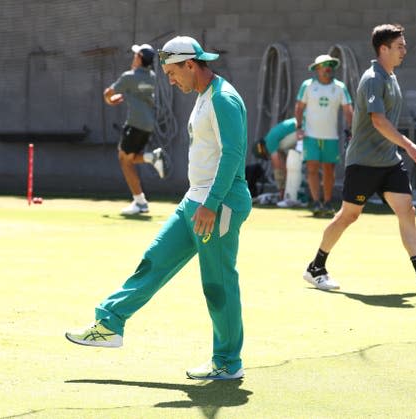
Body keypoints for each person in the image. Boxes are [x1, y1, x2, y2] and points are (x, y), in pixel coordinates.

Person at [66, 35, 252, 381]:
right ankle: (110, 323)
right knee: (155, 258)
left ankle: (228, 361)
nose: (169, 79)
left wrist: (211, 203)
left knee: (218, 283)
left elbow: (233, 155)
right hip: (195, 201)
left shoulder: (223, 99)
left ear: (190, 65)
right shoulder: (204, 95)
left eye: (172, 72)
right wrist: (199, 200)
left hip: (220, 203)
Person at [303, 24, 416, 293]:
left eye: (404, 45)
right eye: (399, 46)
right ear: (383, 49)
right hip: (363, 161)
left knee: (406, 210)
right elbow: (378, 120)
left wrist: (401, 149)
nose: (404, 50)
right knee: (348, 216)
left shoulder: (391, 76)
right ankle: (316, 267)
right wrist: (409, 145)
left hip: (388, 160)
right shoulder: (372, 78)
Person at [103, 43, 168, 215]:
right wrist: (125, 95)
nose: (133, 57)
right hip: (148, 125)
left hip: (135, 123)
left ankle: (140, 202)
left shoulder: (129, 77)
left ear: (139, 58)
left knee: (125, 160)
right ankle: (152, 157)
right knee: (128, 158)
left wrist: (110, 100)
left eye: (135, 55)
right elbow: (136, 93)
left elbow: (108, 93)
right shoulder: (152, 77)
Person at [295, 54, 353, 217]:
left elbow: (348, 109)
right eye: (324, 65)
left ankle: (327, 202)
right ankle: (316, 202)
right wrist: (298, 128)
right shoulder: (307, 85)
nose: (327, 68)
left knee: (329, 169)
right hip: (310, 135)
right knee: (312, 168)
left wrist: (352, 129)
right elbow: (299, 107)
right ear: (317, 69)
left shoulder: (340, 87)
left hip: (331, 137)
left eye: (330, 65)